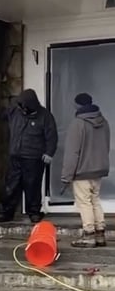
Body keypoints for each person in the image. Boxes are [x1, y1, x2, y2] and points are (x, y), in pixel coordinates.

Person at [0, 88, 58, 225]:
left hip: (34, 158)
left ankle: (34, 212)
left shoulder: (45, 116)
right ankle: (6, 212)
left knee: (32, 186)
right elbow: (0, 114)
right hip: (15, 156)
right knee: (11, 186)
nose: (21, 107)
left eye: (23, 105)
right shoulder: (15, 112)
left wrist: (49, 153)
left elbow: (52, 136)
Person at [61, 92, 110, 248]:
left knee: (84, 203)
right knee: (95, 200)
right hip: (98, 170)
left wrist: (66, 176)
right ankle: (100, 234)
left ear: (78, 105)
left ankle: (88, 235)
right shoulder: (104, 122)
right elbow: (106, 146)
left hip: (82, 171)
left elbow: (72, 152)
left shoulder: (78, 124)